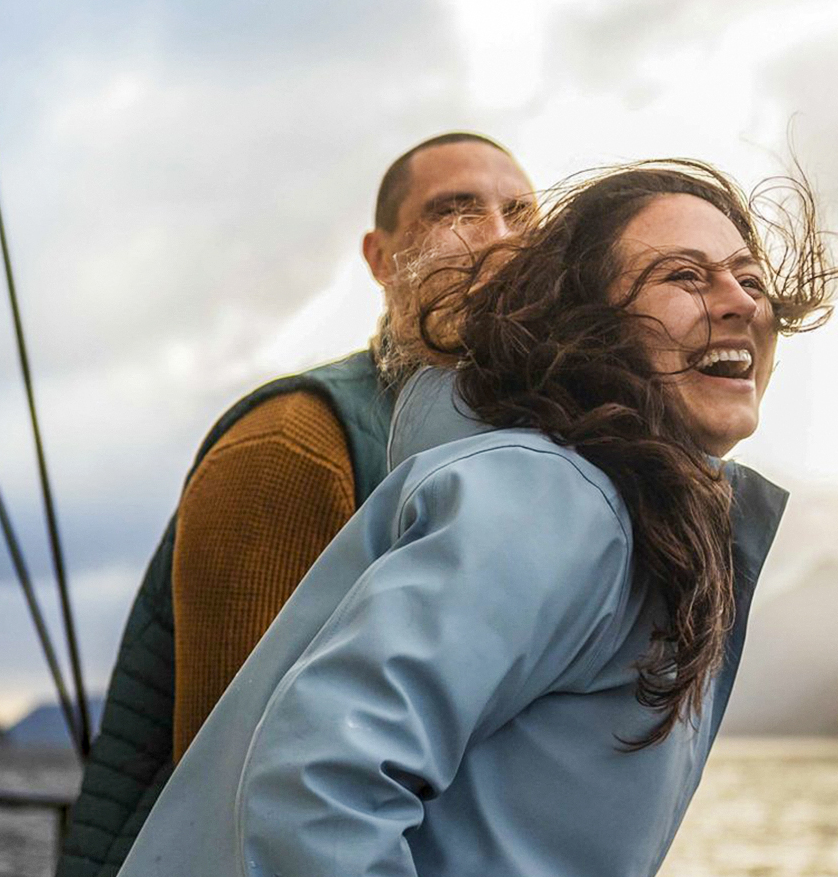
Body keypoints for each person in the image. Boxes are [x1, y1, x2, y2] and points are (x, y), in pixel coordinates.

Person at [115, 160, 838, 877]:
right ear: (588, 324)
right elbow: (318, 779)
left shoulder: (625, 516)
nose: (740, 303)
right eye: (683, 276)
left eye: (750, 280)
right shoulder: (551, 499)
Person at [58, 132, 536, 877]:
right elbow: (238, 794)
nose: (500, 237)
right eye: (456, 211)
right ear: (380, 259)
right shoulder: (294, 445)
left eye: (521, 214)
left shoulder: (521, 456)